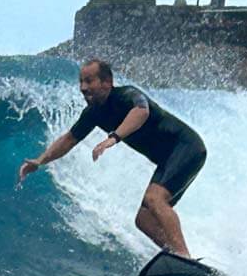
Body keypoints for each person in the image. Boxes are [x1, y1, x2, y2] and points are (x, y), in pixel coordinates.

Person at [17, 59, 207, 259]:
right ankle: (179, 260)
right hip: (168, 159)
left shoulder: (127, 95)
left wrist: (113, 138)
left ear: (107, 82)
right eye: (81, 82)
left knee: (154, 199)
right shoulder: (93, 113)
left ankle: (183, 255)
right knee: (144, 220)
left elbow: (142, 111)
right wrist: (40, 161)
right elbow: (69, 139)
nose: (83, 87)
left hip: (187, 147)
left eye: (89, 81)